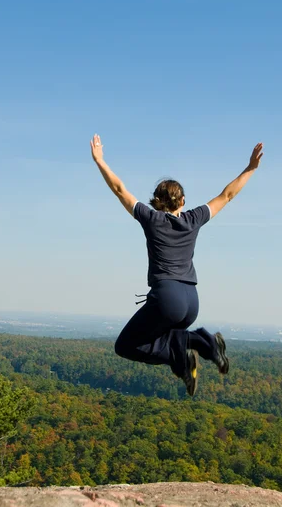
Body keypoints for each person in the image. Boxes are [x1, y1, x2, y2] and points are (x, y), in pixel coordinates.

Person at [90, 134, 263, 396]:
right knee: (164, 338)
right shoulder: (194, 218)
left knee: (125, 346)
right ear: (182, 202)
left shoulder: (151, 218)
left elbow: (119, 189)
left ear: (156, 202)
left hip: (167, 298)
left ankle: (189, 354)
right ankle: (199, 351)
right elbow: (226, 195)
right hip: (191, 301)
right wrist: (250, 169)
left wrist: (100, 161)